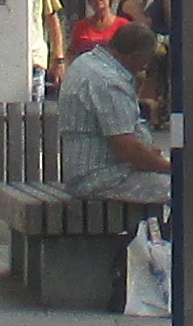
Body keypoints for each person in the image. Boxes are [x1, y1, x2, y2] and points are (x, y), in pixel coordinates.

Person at [53, 16, 174, 211]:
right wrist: (169, 168)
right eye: (145, 61)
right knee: (184, 188)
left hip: (85, 173)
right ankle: (174, 232)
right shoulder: (109, 82)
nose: (144, 68)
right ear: (135, 56)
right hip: (102, 179)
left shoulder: (87, 61)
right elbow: (126, 149)